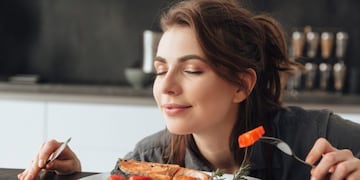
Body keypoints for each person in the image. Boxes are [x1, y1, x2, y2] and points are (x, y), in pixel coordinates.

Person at [18, 0, 360, 179]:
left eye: (192, 70)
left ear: (241, 85)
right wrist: (76, 178)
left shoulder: (318, 138)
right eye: (161, 69)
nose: (165, 86)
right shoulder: (148, 160)